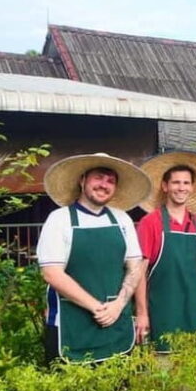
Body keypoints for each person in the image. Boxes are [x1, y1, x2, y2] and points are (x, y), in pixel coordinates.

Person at [37, 153, 151, 363]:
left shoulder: (122, 219)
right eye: (98, 177)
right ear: (82, 180)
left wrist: (118, 305)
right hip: (71, 324)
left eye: (110, 181)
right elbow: (51, 273)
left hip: (117, 321)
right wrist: (96, 308)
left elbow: (135, 266)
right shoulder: (59, 220)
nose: (104, 185)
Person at [134, 150, 196, 352]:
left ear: (191, 187)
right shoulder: (150, 222)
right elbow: (139, 272)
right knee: (163, 372)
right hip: (163, 312)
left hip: (195, 311)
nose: (181, 188)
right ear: (165, 186)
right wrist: (142, 313)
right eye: (176, 182)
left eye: (186, 183)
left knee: (195, 373)